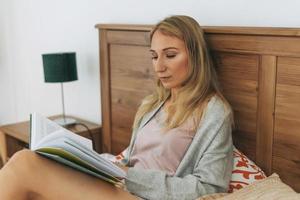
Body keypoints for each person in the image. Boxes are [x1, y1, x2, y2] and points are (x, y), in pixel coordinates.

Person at [0, 15, 233, 200]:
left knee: (25, 164)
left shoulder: (214, 112)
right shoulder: (153, 104)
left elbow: (209, 188)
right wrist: (103, 167)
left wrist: (131, 177)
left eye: (170, 55)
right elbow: (134, 158)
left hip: (141, 194)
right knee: (32, 164)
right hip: (120, 185)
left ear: (196, 56)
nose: (159, 67)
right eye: (154, 56)